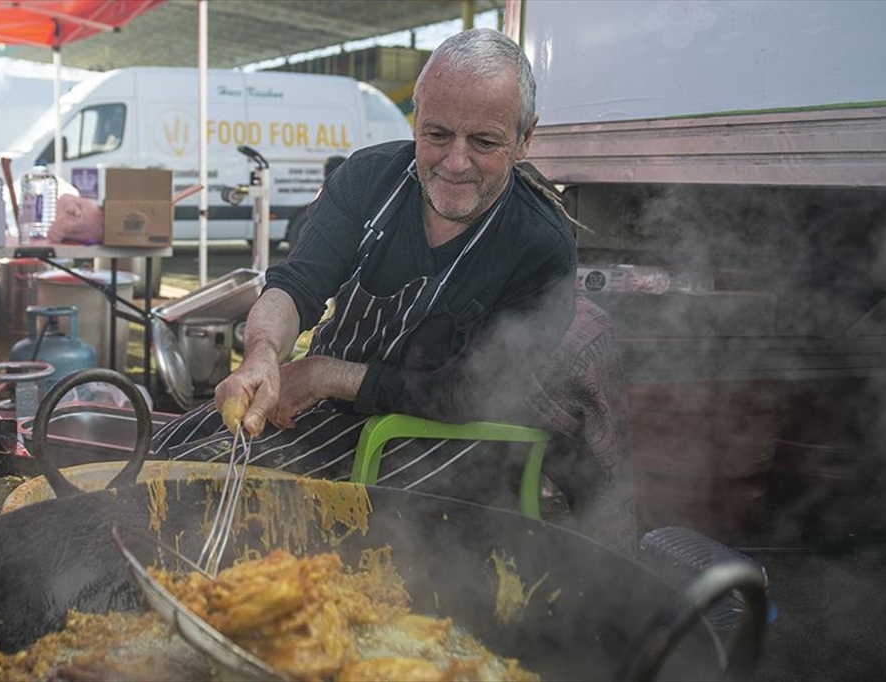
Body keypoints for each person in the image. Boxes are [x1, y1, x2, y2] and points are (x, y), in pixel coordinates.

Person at [152, 28, 634, 553]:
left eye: (485, 142)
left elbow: (468, 394)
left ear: (525, 138)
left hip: (441, 439)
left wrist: (321, 373)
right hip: (322, 406)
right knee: (157, 462)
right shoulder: (368, 180)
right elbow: (296, 284)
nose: (455, 162)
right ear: (416, 118)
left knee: (204, 502)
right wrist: (264, 356)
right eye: (437, 134)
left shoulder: (540, 244)